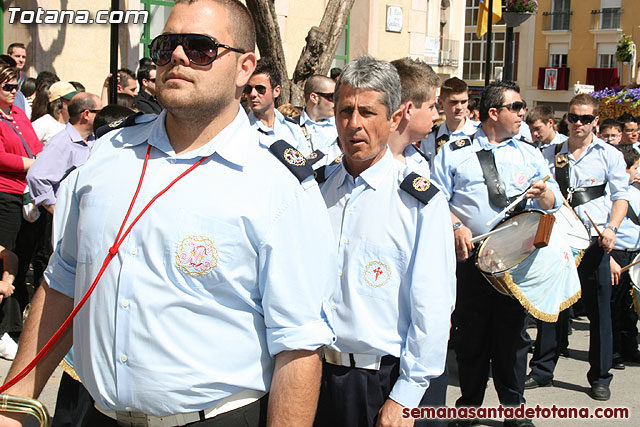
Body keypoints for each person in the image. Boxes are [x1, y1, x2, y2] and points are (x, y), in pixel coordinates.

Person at [0, 2, 336, 427]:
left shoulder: (279, 186)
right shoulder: (106, 158)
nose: (177, 57)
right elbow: (63, 285)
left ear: (244, 68)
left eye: (200, 47)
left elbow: (299, 345)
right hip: (96, 415)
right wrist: (12, 407)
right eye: (166, 46)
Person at [314, 55, 456, 427]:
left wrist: (406, 398)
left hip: (377, 383)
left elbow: (433, 308)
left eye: (368, 112)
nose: (354, 124)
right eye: (345, 110)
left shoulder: (419, 203)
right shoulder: (314, 189)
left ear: (394, 118)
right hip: (310, 374)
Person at [431, 80, 561, 427]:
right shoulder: (454, 151)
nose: (523, 114)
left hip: (516, 260)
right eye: (516, 107)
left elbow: (555, 201)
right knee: (470, 336)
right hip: (470, 256)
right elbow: (435, 198)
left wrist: (543, 196)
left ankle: (513, 409)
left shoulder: (529, 153)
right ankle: (469, 406)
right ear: (494, 113)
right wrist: (456, 225)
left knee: (512, 337)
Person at [541, 93, 629, 401]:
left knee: (599, 313)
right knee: (551, 306)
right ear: (566, 118)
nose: (579, 124)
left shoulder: (609, 155)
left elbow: (621, 197)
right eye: (574, 117)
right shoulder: (550, 153)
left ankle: (600, 376)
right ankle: (542, 368)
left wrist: (612, 228)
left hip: (593, 244)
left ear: (596, 122)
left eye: (586, 119)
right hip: (559, 242)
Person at [0, 63, 43, 360]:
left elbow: (36, 146)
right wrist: (29, 164)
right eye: (7, 86)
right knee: (7, 259)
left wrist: (39, 161)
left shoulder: (17, 114)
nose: (14, 91)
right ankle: (4, 328)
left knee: (24, 256)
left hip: (26, 194)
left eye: (16, 86)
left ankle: (13, 326)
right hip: (4, 194)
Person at [27, 92, 102, 215]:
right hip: (69, 218)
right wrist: (55, 210)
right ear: (86, 114)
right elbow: (36, 176)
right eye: (99, 113)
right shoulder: (61, 143)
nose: (102, 117)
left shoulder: (93, 140)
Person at [608, 145, 640, 370]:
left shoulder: (637, 193)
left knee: (630, 307)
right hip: (616, 253)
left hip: (635, 254)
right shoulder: (612, 194)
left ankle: (629, 347)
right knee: (613, 306)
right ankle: (613, 351)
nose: (638, 172)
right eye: (636, 168)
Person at [387, 57, 439, 178]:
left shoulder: (418, 160)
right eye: (431, 107)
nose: (436, 115)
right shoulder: (365, 164)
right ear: (409, 110)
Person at [245, 58, 309, 155]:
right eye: (248, 89)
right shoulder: (242, 129)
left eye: (260, 89)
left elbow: (304, 167)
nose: (253, 94)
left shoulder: (292, 129)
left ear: (276, 91)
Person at [422, 77, 479, 165]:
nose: (459, 107)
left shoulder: (479, 132)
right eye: (454, 102)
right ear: (441, 103)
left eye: (463, 102)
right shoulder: (431, 137)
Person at [293, 75, 337, 157]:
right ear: (314, 98)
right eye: (332, 97)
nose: (337, 102)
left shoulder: (341, 126)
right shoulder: (291, 127)